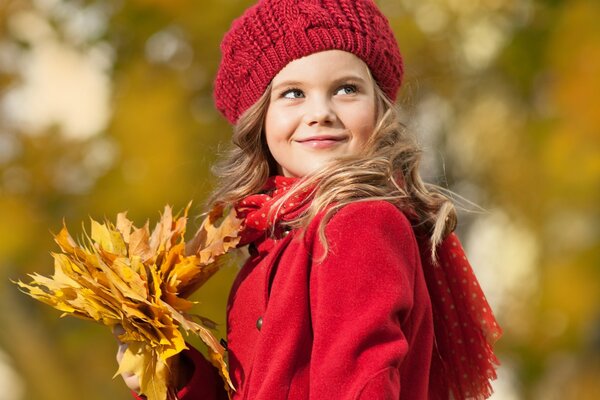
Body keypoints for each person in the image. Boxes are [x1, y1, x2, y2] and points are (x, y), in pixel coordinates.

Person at [117, 0, 502, 398]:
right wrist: (175, 376)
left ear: (379, 107)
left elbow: (362, 387)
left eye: (347, 89)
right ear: (259, 118)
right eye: (293, 93)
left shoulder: (358, 225)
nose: (320, 112)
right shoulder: (270, 242)